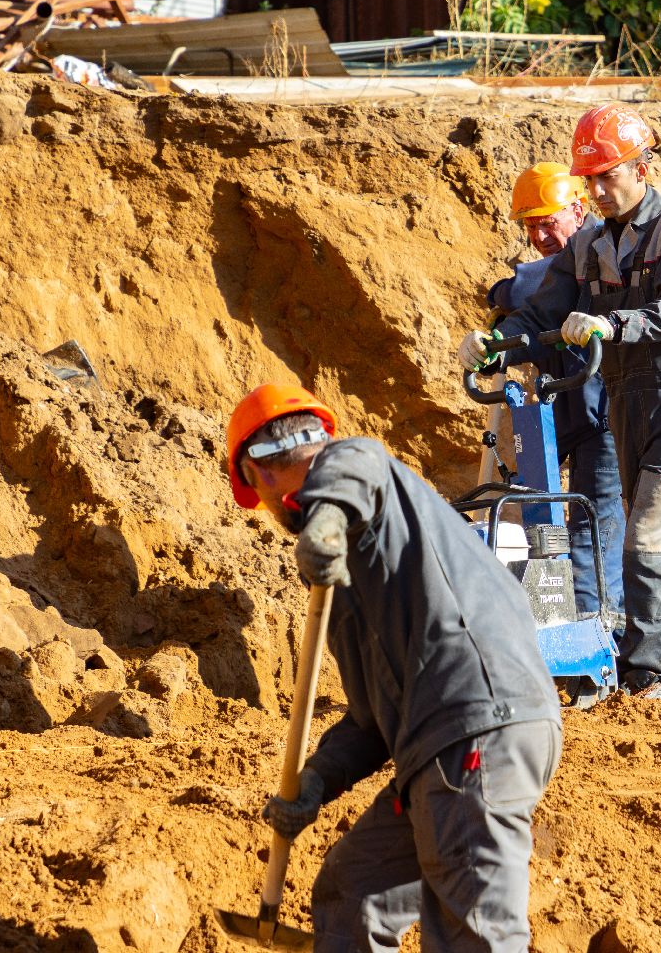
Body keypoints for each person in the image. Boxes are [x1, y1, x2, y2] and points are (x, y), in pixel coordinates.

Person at [225, 383, 561, 953]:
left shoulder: (354, 466)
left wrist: (324, 520)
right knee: (354, 893)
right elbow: (371, 719)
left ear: (261, 472)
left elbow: (354, 461)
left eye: (258, 491)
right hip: (438, 744)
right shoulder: (350, 579)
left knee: (474, 936)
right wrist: (317, 780)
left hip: (476, 725)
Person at [458, 104, 661, 702]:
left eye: (608, 176)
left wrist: (611, 325)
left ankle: (645, 679)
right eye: (590, 179)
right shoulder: (588, 245)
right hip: (626, 403)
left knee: (647, 539)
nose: (598, 191)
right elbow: (538, 315)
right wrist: (492, 346)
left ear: (641, 168)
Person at [486, 162, 625, 621]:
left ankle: (598, 634)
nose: (540, 235)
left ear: (578, 211)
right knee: (550, 522)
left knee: (591, 528)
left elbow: (521, 287)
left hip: (603, 417)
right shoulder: (568, 262)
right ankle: (569, 625)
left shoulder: (600, 245)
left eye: (548, 222)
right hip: (570, 412)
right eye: (530, 226)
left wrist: (505, 296)